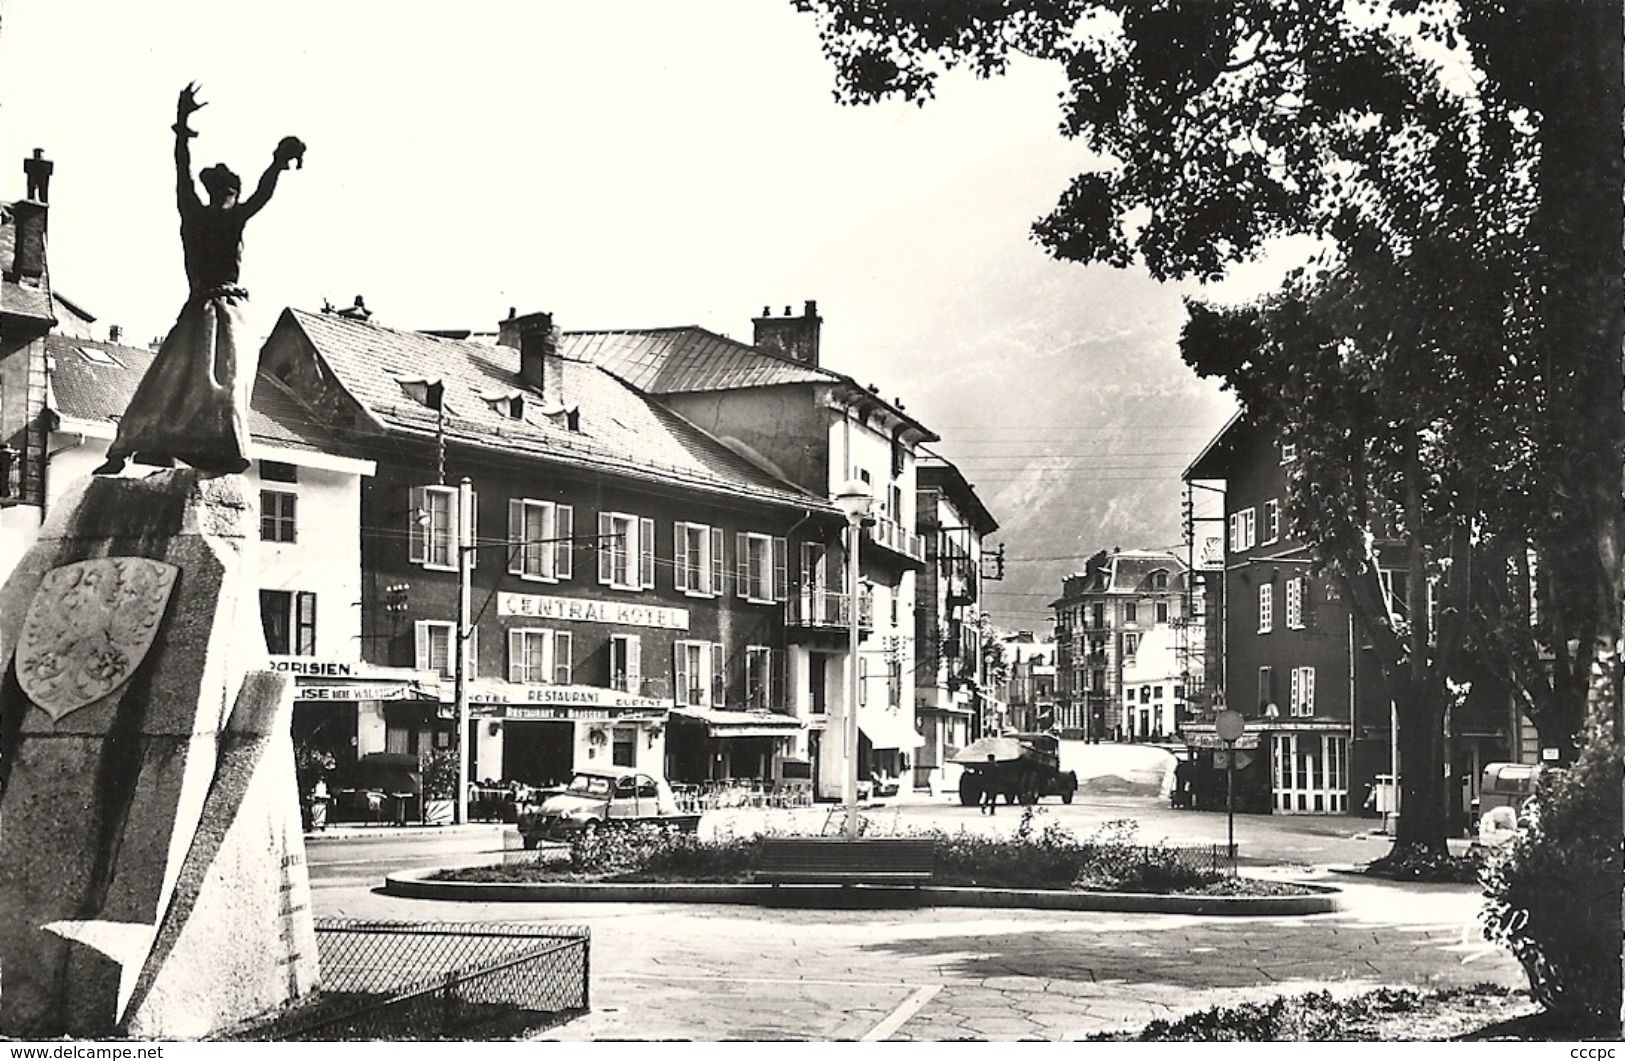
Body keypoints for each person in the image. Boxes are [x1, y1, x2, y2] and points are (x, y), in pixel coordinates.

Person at [95, 83, 304, 476]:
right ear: (224, 192)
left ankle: (155, 449)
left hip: (211, 311)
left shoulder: (208, 214)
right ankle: (134, 449)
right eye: (227, 192)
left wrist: (276, 161)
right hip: (213, 311)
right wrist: (276, 161)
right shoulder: (212, 215)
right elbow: (195, 176)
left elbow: (248, 190)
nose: (229, 197)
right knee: (200, 384)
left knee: (191, 384)